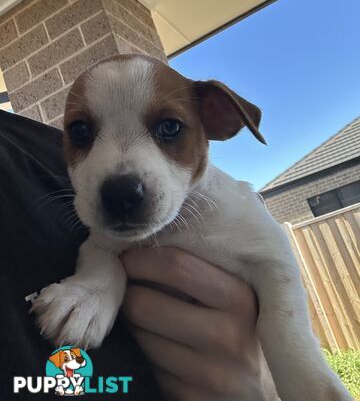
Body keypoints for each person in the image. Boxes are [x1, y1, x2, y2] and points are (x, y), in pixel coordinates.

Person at [0, 110, 277, 400]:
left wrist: (264, 385)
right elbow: (101, 247)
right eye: (82, 132)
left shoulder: (41, 150)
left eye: (169, 127)